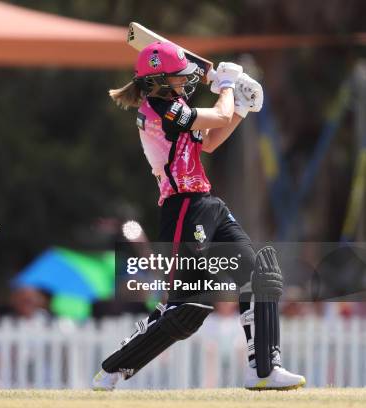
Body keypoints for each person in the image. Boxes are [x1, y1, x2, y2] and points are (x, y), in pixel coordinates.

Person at [91, 42, 305, 391]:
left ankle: (264, 369)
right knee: (187, 310)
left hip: (207, 203)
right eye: (179, 77)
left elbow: (209, 142)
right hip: (182, 211)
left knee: (261, 276)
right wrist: (225, 88)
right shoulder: (159, 110)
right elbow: (216, 116)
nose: (185, 82)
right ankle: (114, 370)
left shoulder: (175, 107)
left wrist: (241, 108)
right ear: (160, 80)